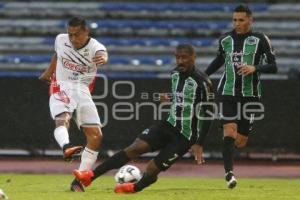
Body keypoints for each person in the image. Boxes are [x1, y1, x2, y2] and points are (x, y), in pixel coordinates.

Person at [73, 44, 214, 193]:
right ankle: (90, 176)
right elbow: (183, 96)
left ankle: (134, 188)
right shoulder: (175, 74)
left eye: (184, 57)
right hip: (168, 124)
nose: (180, 61)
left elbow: (208, 112)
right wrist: (170, 97)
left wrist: (199, 142)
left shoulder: (203, 82)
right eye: (177, 57)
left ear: (194, 58)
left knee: (153, 168)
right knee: (134, 148)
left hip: (185, 136)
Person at [205, 4, 277, 189]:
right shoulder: (225, 39)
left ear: (250, 20)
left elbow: (273, 66)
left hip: (250, 95)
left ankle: (228, 144)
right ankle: (229, 174)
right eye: (234, 20)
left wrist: (255, 67)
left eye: (241, 20)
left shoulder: (261, 39)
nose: (237, 23)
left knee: (241, 141)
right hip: (227, 92)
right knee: (229, 130)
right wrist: (203, 77)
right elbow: (220, 59)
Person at [40, 16, 108, 192]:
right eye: (70, 34)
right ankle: (67, 147)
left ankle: (79, 180)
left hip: (82, 90)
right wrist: (48, 72)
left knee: (96, 136)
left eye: (76, 35)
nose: (72, 39)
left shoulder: (95, 47)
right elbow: (58, 54)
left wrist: (103, 58)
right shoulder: (60, 39)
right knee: (62, 118)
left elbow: (103, 54)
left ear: (87, 32)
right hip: (61, 85)